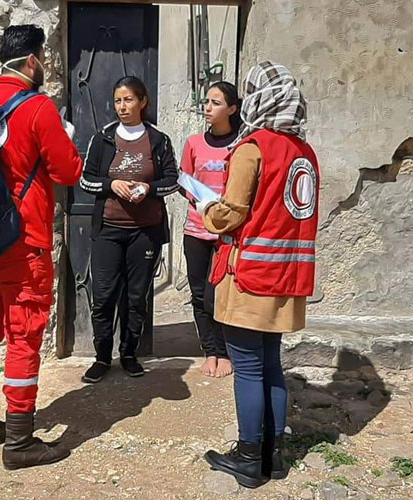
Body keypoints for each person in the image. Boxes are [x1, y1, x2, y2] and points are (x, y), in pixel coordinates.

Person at [0, 25, 83, 470]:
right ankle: (19, 441)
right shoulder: (37, 107)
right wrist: (64, 136)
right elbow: (68, 172)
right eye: (44, 58)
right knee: (23, 334)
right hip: (24, 240)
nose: (45, 65)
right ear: (32, 61)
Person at [201, 62, 320, 488]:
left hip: (250, 275)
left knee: (248, 368)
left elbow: (232, 213)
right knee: (272, 364)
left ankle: (250, 459)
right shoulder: (305, 154)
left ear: (257, 100)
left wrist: (205, 210)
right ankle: (274, 455)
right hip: (289, 277)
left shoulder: (253, 147)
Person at [79, 76, 179, 383]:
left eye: (129, 100)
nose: (122, 107)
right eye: (118, 100)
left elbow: (172, 180)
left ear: (143, 101)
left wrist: (147, 189)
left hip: (144, 232)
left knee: (136, 297)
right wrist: (112, 185)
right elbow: (85, 180)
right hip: (108, 230)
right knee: (104, 295)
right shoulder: (103, 138)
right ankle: (101, 357)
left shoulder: (158, 140)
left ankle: (129, 354)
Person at [180, 81, 240, 378]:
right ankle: (210, 351)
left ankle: (227, 352)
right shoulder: (193, 143)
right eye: (207, 101)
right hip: (196, 230)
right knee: (199, 293)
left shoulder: (242, 144)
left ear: (232, 108)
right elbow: (184, 181)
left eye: (216, 102)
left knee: (223, 294)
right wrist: (202, 199)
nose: (208, 107)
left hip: (228, 234)